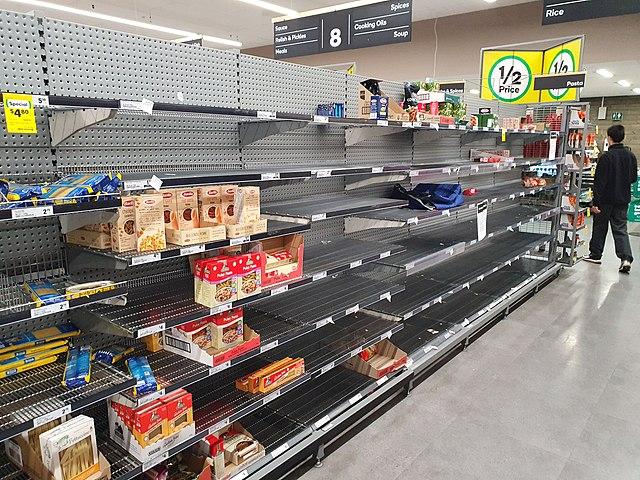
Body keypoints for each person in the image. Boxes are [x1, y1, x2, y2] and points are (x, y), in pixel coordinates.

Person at [584, 124, 638, 273]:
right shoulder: (630, 156)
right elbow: (633, 178)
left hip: (605, 200)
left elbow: (599, 182)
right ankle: (626, 258)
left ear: (609, 138)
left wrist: (594, 202)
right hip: (622, 199)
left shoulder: (606, 157)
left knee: (600, 227)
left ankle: (595, 254)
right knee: (620, 229)